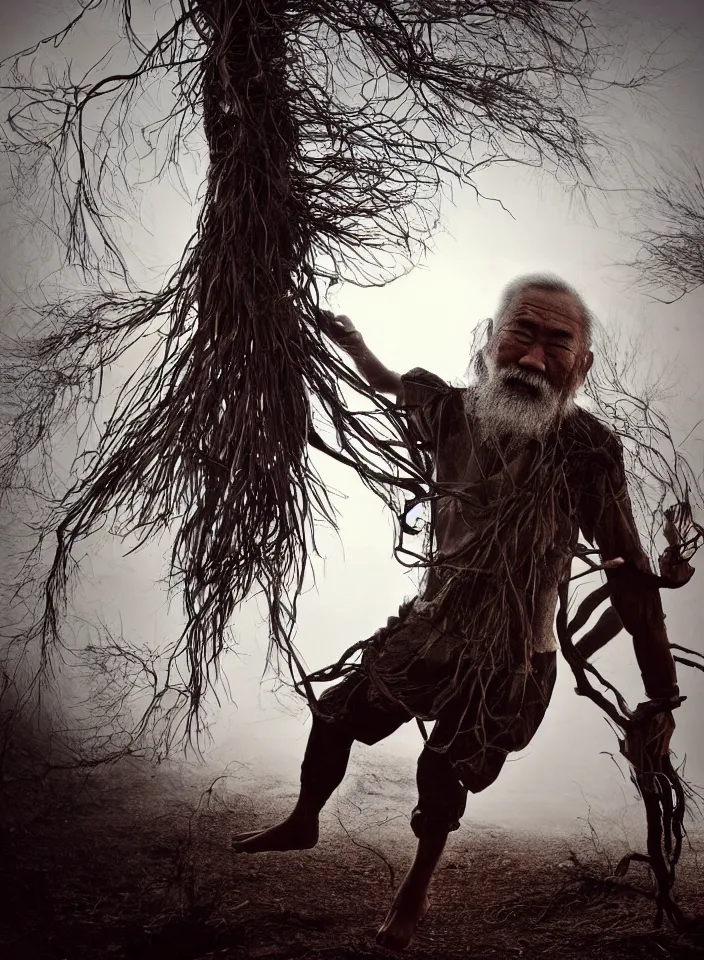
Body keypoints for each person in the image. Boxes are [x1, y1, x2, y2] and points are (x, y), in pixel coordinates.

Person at [232, 275, 682, 951]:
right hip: (430, 632)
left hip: (513, 660)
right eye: (520, 336)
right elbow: (388, 381)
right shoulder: (447, 411)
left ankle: (415, 890)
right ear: (489, 344)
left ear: (582, 366)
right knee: (333, 713)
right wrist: (348, 343)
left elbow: (628, 575)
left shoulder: (587, 450)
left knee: (441, 767)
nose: (533, 360)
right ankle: (304, 818)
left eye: (557, 345)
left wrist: (661, 695)